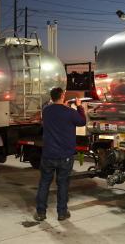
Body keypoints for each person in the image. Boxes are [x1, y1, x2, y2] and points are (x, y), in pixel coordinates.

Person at [34, 87, 86, 221]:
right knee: (62, 184)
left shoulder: (46, 111)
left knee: (44, 183)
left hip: (48, 154)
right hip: (65, 155)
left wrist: (63, 105)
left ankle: (41, 213)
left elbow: (52, 111)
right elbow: (82, 122)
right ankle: (62, 213)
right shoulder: (70, 112)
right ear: (63, 96)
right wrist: (79, 107)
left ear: (51, 97)